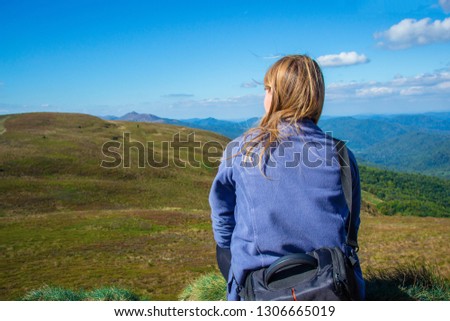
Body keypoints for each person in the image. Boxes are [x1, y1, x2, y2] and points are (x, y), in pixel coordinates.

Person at [209, 54, 365, 301]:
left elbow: (222, 224)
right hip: (334, 286)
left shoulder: (241, 151)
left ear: (275, 95)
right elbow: (350, 228)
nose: (265, 96)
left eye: (267, 89)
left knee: (224, 248)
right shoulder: (341, 154)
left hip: (262, 288)